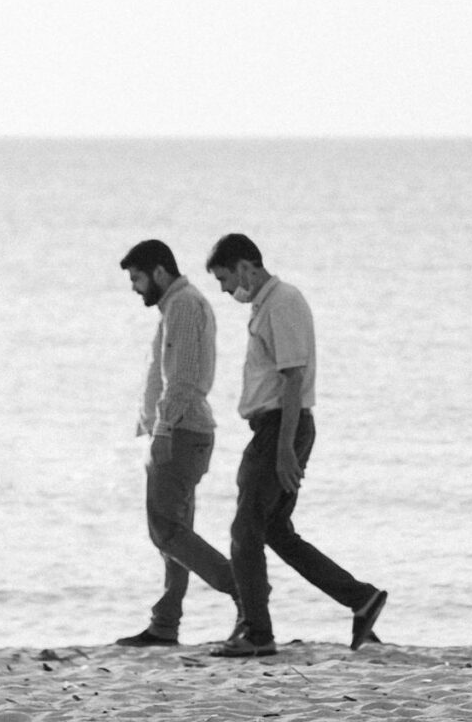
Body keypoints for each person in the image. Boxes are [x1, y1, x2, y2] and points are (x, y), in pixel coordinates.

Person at [205, 233, 387, 658]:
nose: (226, 290)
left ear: (247, 267)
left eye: (226, 278)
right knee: (274, 530)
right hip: (278, 428)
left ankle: (258, 633)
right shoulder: (267, 305)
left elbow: (293, 378)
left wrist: (284, 448)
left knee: (245, 530)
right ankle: (360, 599)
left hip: (280, 427)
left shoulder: (282, 302)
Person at [116, 239, 240, 647]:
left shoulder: (184, 305)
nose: (135, 288)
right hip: (182, 430)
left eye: (137, 278)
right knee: (176, 531)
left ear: (158, 271)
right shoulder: (177, 304)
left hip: (182, 431)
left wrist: (164, 430)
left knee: (166, 532)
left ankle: (245, 592)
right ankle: (165, 623)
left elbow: (182, 378)